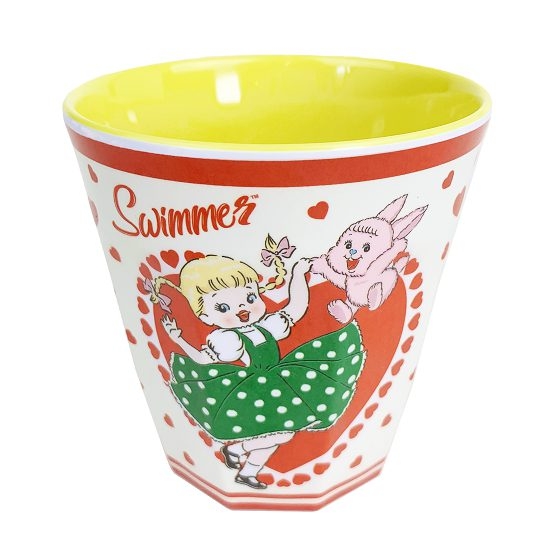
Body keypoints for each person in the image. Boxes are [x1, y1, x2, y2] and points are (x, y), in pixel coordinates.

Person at [152, 251, 365, 489]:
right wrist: (179, 340)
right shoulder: (227, 339)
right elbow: (203, 359)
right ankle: (236, 450)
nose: (242, 309)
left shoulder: (267, 325)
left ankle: (247, 471)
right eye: (223, 307)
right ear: (205, 315)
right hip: (253, 389)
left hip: (281, 383)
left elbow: (296, 307)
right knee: (283, 433)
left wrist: (298, 274)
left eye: (250, 297)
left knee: (276, 435)